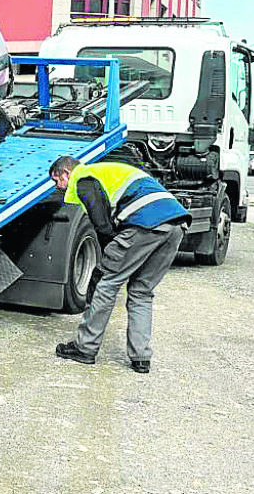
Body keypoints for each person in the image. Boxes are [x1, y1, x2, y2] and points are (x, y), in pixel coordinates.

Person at [49, 155, 190, 373]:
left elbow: (101, 222)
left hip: (146, 222)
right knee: (142, 291)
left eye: (57, 181)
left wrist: (108, 258)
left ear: (66, 173)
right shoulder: (108, 171)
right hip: (176, 224)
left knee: (107, 284)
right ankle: (141, 357)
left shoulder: (83, 178)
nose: (58, 187)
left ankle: (85, 348)